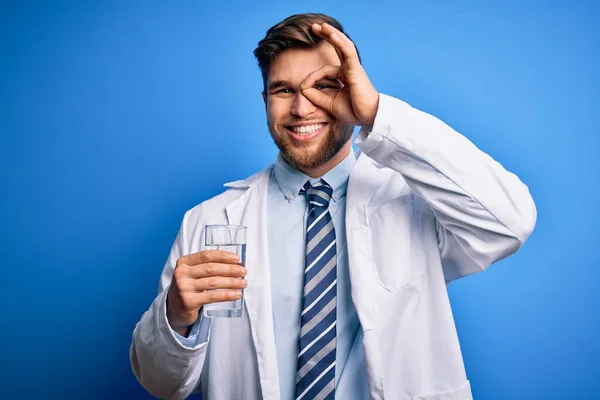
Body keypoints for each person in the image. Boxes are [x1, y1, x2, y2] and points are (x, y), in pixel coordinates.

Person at [129, 12, 536, 400]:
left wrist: (376, 112)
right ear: (265, 99)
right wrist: (176, 316)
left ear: (352, 88)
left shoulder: (414, 202)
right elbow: (162, 384)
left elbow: (509, 222)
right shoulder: (209, 221)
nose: (302, 108)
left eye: (323, 85)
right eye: (284, 90)